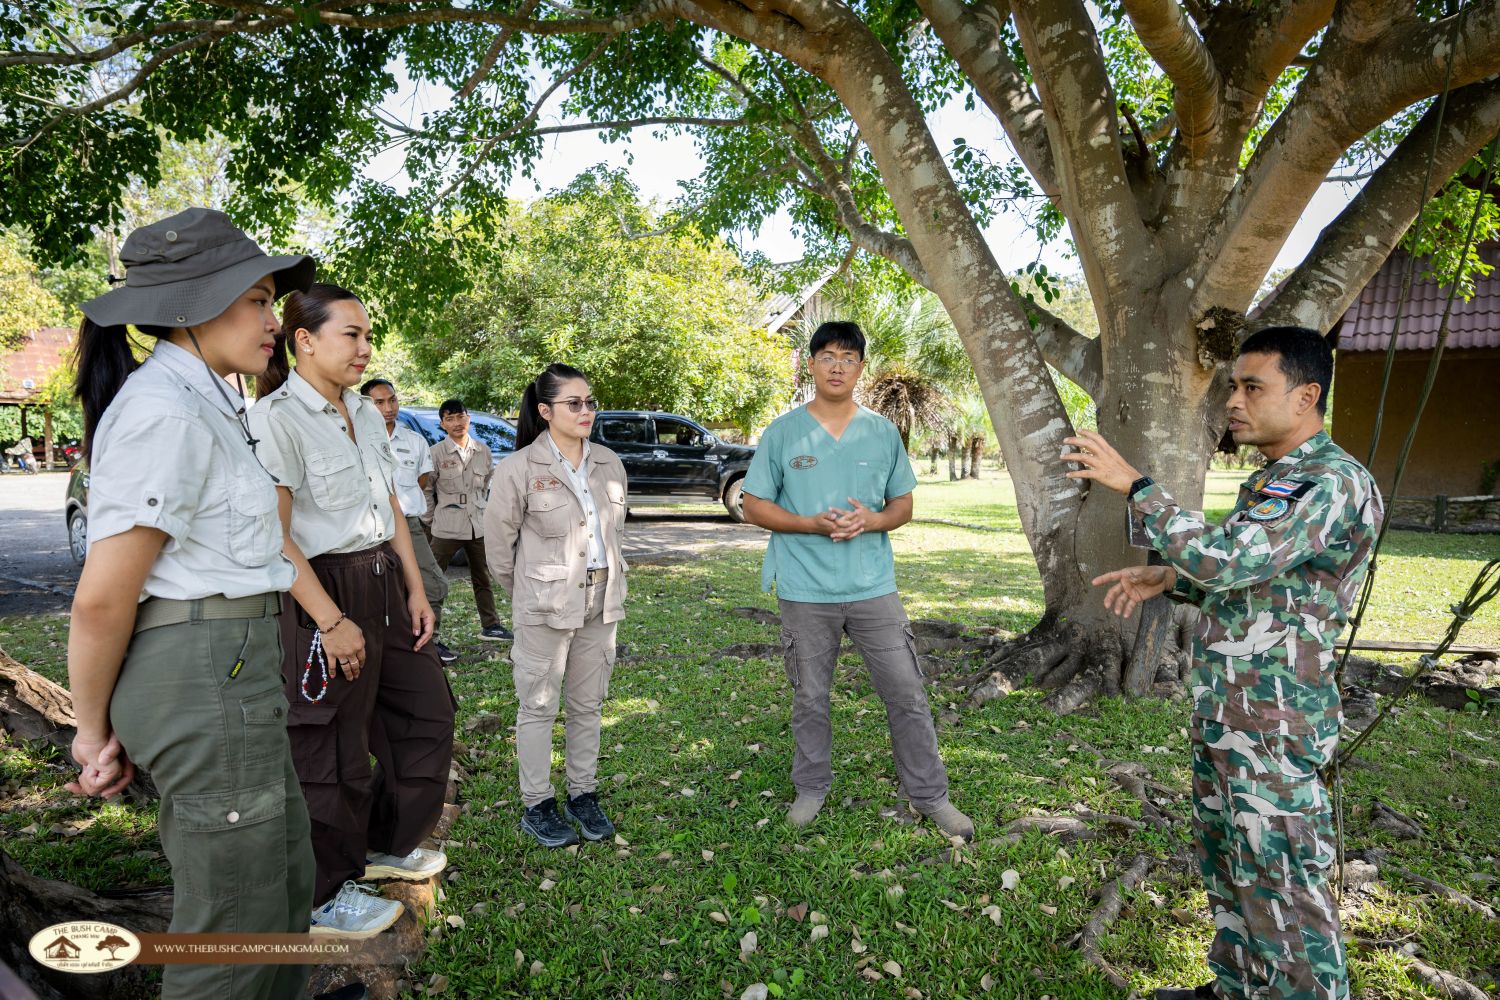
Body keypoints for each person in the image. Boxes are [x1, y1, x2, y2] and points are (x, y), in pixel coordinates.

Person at [1062, 326, 1382, 1000]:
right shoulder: (1279, 479)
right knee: (1232, 861)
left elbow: (1229, 560)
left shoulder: (1328, 481)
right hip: (1231, 708)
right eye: (1233, 385)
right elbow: (1256, 578)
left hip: (1275, 719)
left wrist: (1135, 484)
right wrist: (1172, 583)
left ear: (1306, 396)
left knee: (1284, 880)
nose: (1233, 400)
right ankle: (1239, 986)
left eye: (1251, 387)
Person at [63, 207, 319, 999]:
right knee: (232, 928)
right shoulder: (164, 410)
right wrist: (89, 729)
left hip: (230, 666)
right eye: (257, 300)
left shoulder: (208, 398)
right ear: (193, 305)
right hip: (204, 672)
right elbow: (103, 600)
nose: (273, 321)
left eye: (271, 301)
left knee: (280, 884)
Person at [251, 284, 455, 939]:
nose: (366, 348)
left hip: (384, 580)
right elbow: (276, 537)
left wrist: (415, 587)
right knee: (328, 745)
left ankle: (387, 844)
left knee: (425, 708)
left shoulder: (364, 414)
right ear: (304, 339)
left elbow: (391, 505)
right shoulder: (276, 419)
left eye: (369, 335)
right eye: (352, 335)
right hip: (322, 590)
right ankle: (324, 893)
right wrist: (331, 621)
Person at [740, 321, 974, 842]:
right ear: (812, 365)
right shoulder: (783, 432)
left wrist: (869, 520)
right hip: (804, 588)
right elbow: (752, 504)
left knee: (907, 692)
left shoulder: (881, 431)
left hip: (872, 586)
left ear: (861, 367)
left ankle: (931, 796)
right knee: (810, 696)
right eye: (826, 356)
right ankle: (811, 787)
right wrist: (809, 523)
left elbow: (903, 504)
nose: (837, 365)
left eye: (848, 356)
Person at [484, 364, 628, 848]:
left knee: (588, 705)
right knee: (539, 705)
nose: (585, 411)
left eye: (590, 402)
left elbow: (614, 536)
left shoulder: (609, 462)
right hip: (544, 603)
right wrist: (531, 592)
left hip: (601, 598)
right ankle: (538, 803)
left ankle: (582, 794)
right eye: (574, 403)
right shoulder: (518, 468)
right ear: (545, 411)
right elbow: (499, 553)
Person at [362, 377, 456, 664]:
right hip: (367, 528)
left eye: (392, 400)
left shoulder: (414, 441)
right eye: (379, 402)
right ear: (365, 405)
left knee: (433, 584)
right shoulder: (354, 441)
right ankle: (385, 650)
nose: (388, 408)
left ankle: (428, 642)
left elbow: (421, 480)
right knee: (375, 594)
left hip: (408, 525)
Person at [428, 398, 512, 644]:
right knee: (434, 580)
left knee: (483, 577)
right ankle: (431, 633)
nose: (457, 423)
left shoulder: (482, 450)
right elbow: (426, 488)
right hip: (446, 525)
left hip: (478, 523)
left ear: (468, 418)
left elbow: (486, 485)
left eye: (460, 417)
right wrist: (431, 517)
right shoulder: (436, 453)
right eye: (450, 418)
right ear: (443, 423)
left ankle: (491, 625)